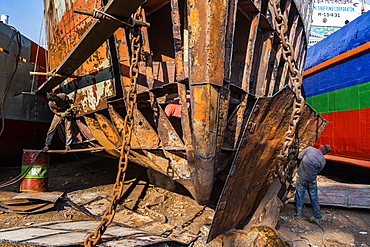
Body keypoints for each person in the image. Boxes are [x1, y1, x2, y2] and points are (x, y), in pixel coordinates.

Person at [294, 144, 331, 222]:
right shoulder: (323, 160)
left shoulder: (309, 149)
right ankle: (317, 215)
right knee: (314, 198)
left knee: (299, 197)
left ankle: (298, 215)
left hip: (301, 178)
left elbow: (299, 157)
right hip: (312, 180)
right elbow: (318, 171)